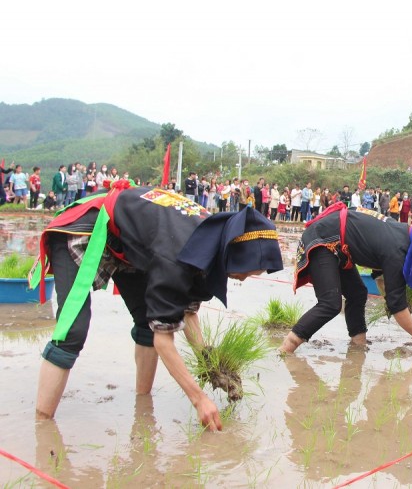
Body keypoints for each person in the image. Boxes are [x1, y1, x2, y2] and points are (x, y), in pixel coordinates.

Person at [33, 182, 283, 430]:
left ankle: (142, 407)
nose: (245, 279)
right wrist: (199, 399)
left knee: (146, 322)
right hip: (84, 229)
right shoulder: (177, 255)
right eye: (248, 272)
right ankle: (42, 426)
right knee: (73, 331)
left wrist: (211, 363)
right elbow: (164, 340)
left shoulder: (210, 238)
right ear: (235, 255)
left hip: (128, 242)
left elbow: (185, 310)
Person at [280, 205, 412, 354]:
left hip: (339, 246)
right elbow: (397, 305)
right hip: (324, 241)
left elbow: (383, 281)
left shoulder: (402, 234)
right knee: (330, 303)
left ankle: (358, 344)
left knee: (357, 293)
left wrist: (394, 295)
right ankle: (287, 348)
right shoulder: (398, 250)